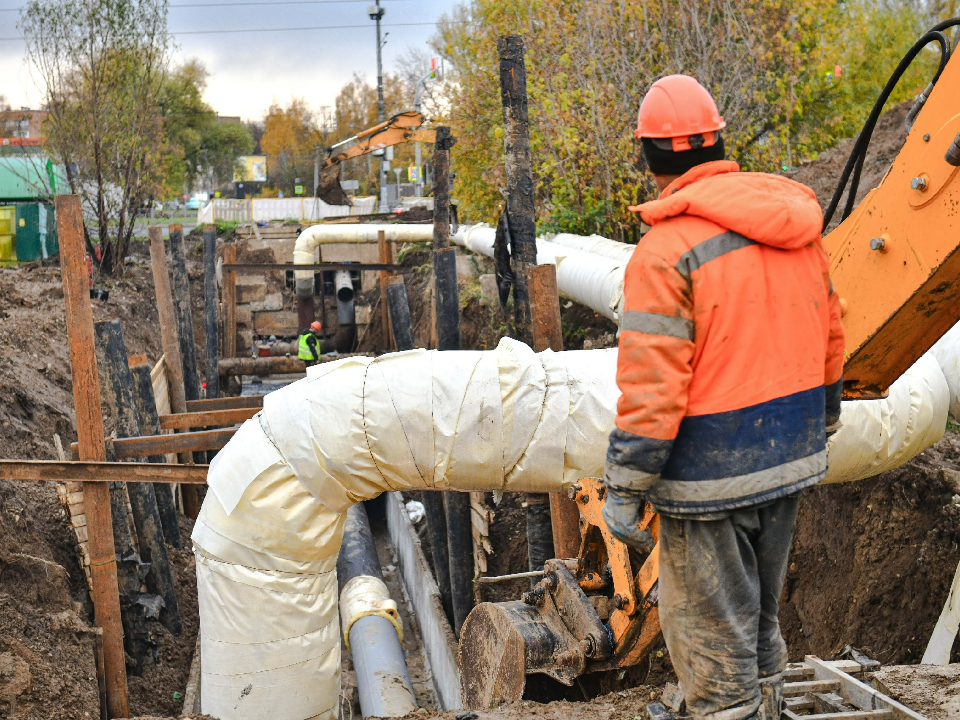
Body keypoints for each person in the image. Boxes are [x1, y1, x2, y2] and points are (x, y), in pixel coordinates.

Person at [601, 75, 845, 720]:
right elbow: (831, 332)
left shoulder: (665, 251)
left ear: (648, 155)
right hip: (790, 455)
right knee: (759, 620)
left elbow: (654, 388)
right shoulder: (795, 227)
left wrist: (625, 486)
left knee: (713, 644)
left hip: (709, 479)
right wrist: (820, 422)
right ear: (718, 143)